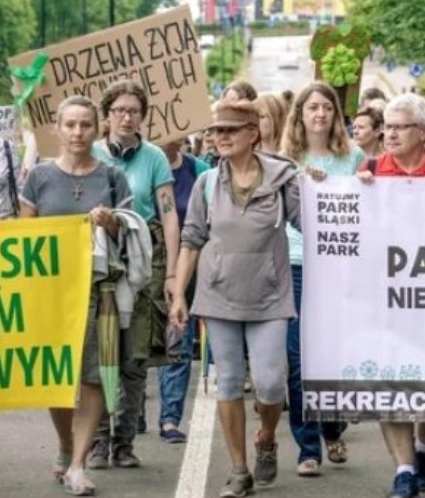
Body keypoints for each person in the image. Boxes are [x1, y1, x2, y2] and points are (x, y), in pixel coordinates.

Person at [167, 98, 303, 498]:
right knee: (226, 380)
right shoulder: (208, 182)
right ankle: (239, 470)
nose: (220, 137)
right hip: (218, 294)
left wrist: (324, 188)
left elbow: (311, 221)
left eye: (229, 130)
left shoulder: (282, 178)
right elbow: (192, 239)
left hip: (269, 295)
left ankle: (266, 437)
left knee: (271, 383)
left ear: (252, 134)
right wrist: (179, 295)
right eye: (215, 131)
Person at [19, 95, 132, 496]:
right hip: (52, 293)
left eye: (86, 124)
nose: (78, 132)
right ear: (58, 129)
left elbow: (130, 234)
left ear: (98, 127)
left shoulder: (114, 177)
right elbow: (24, 239)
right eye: (70, 125)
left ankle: (79, 463)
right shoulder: (39, 178)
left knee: (93, 377)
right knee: (57, 377)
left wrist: (112, 220)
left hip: (98, 292)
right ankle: (66, 443)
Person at [356, 93, 425, 498]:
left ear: (424, 133)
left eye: (400, 127)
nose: (391, 133)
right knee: (391, 386)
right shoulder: (368, 171)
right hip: (384, 301)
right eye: (387, 125)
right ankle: (404, 470)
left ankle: (422, 447)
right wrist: (355, 192)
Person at [88, 80, 180, 469]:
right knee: (97, 352)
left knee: (134, 355)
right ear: (106, 115)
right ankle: (96, 442)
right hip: (97, 262)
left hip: (143, 261)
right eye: (119, 110)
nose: (127, 117)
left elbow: (169, 213)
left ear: (143, 117)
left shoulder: (154, 156)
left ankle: (124, 443)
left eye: (134, 111)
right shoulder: (89, 153)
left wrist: (173, 274)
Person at [279, 82, 364, 476]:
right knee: (298, 359)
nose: (320, 114)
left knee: (335, 357)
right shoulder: (284, 161)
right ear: (300, 114)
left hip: (338, 266)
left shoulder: (354, 157)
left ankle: (332, 426)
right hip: (295, 263)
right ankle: (307, 448)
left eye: (327, 108)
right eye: (312, 107)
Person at [156, 137, 210, 444]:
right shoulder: (147, 164)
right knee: (147, 342)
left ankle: (170, 418)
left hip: (189, 264)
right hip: (150, 264)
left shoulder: (198, 169)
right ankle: (130, 414)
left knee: (180, 337)